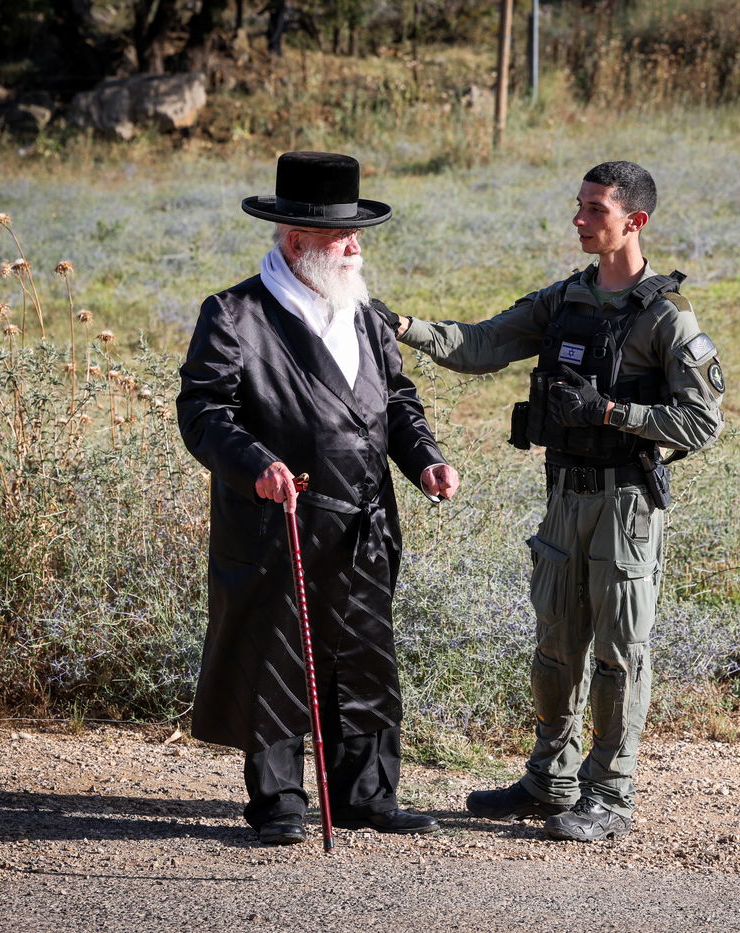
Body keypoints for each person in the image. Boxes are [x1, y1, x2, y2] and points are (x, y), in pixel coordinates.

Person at [382, 161, 725, 841]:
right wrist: (402, 324)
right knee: (555, 648)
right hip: (564, 496)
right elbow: (478, 344)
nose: (579, 219)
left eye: (595, 210)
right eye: (579, 206)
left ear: (635, 221)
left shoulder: (667, 318)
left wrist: (610, 412)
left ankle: (610, 794)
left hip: (626, 504)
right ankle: (549, 780)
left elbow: (702, 422)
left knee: (619, 653)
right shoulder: (565, 300)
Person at [177, 151, 460, 845]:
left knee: (364, 657)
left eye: (357, 235)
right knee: (276, 659)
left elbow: (396, 401)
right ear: (296, 240)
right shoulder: (234, 314)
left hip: (364, 523)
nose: (356, 249)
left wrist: (424, 458)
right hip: (279, 521)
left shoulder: (364, 313)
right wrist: (255, 463)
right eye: (343, 239)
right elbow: (205, 412)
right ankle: (278, 801)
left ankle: (366, 791)